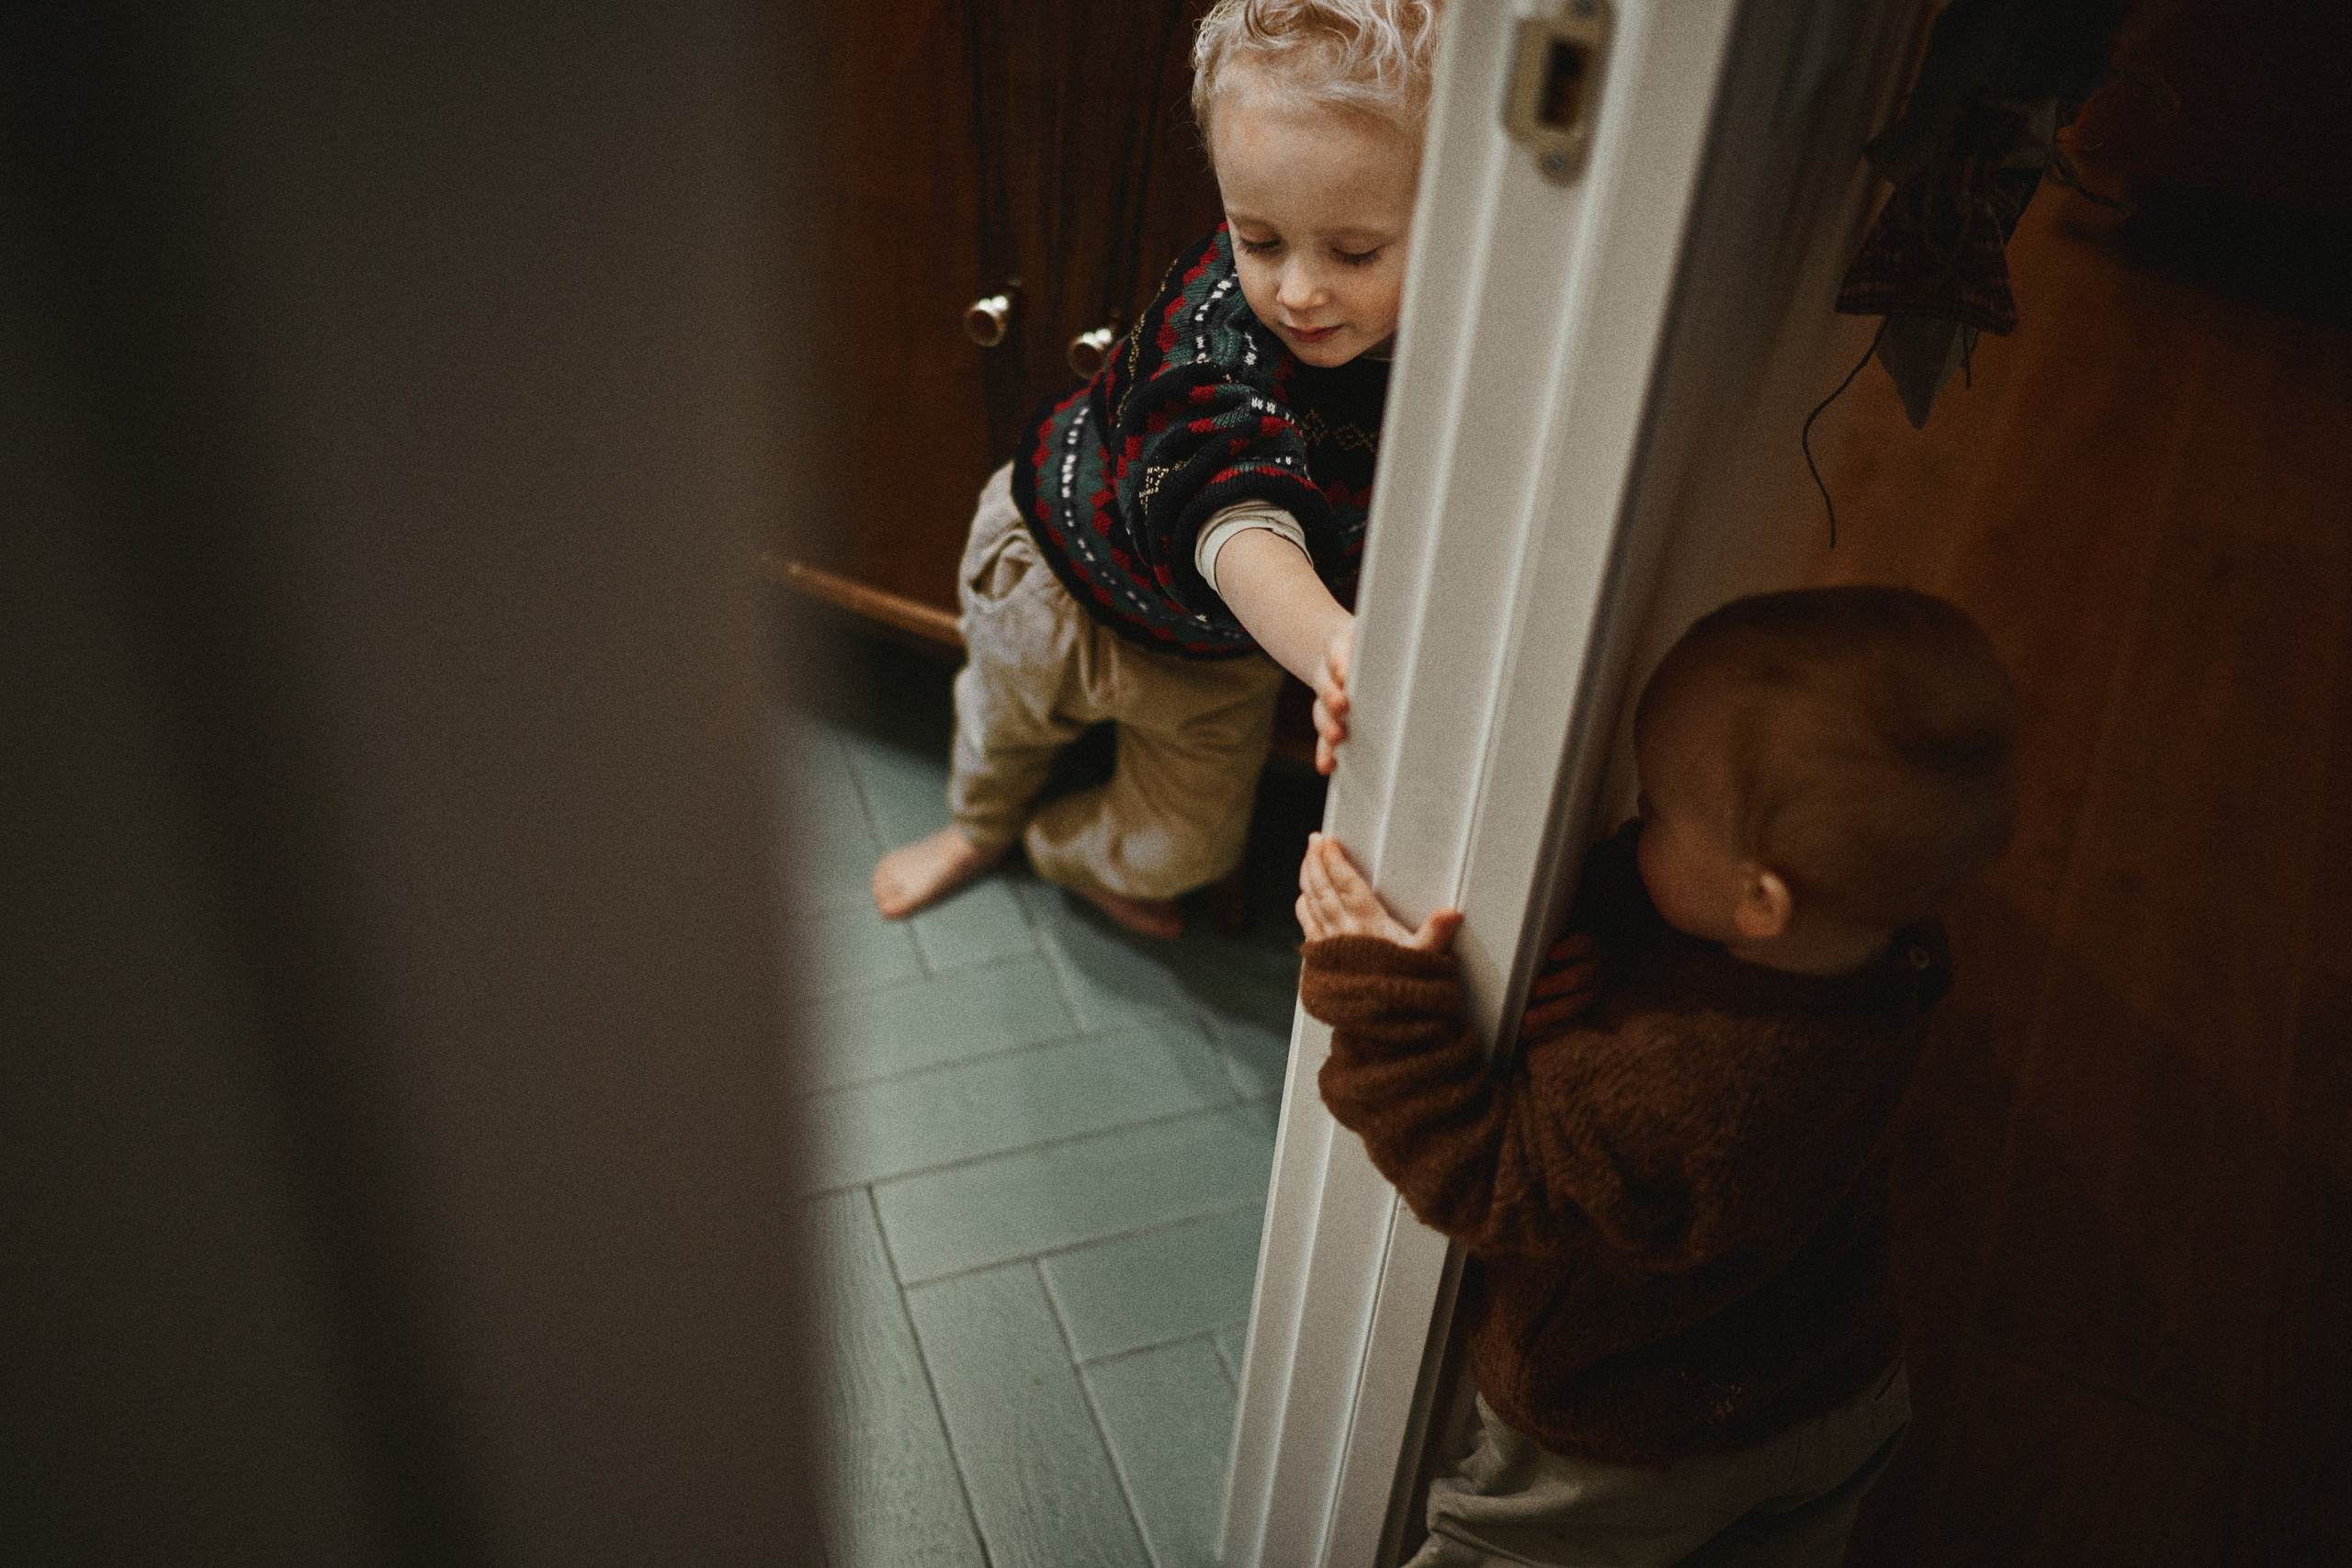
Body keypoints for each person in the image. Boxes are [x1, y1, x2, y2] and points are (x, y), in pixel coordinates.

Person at [1293, 586, 2020, 1567]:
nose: (1635, 831)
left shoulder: (1690, 1097)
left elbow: (1487, 1175)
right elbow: (1689, 934)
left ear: (1760, 901)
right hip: (1840, 1384)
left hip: (1641, 1440)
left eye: (1655, 812)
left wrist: (1382, 999)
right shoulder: (1892, 952)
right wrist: (1611, 930)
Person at [873, 0, 1443, 940]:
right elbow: (1230, 508)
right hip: (1052, 575)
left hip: (1210, 662)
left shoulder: (1452, 356)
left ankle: (1058, 846)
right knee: (999, 730)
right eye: (1258, 238)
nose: (1296, 292)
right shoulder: (1212, 332)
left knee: (1184, 852)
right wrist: (1333, 652)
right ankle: (978, 828)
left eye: (1354, 251)